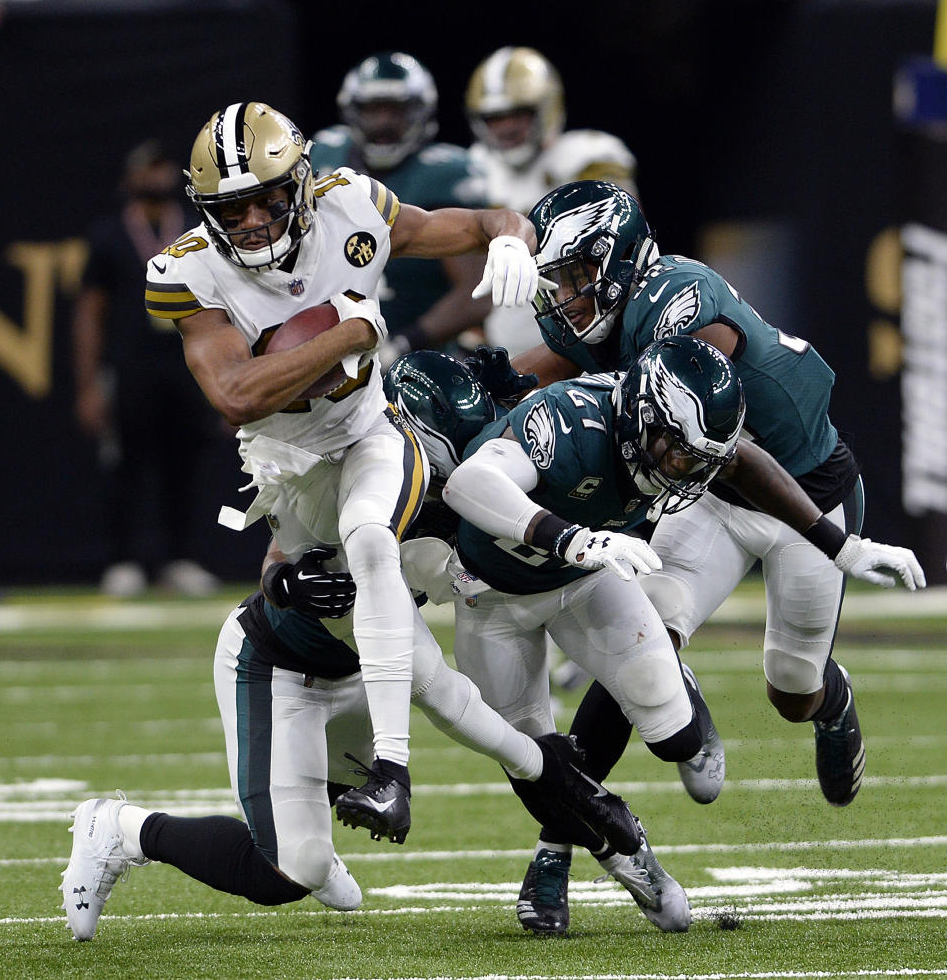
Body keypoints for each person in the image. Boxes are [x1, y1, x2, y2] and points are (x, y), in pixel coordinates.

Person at [142, 101, 543, 847]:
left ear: (300, 183)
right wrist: (353, 330)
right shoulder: (183, 269)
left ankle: (401, 767)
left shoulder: (352, 205)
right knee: (312, 593)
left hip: (370, 431)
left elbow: (483, 219)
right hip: (285, 465)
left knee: (375, 542)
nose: (256, 219)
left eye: (268, 197)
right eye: (235, 207)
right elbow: (236, 395)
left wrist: (512, 238)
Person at [431, 335, 922, 935]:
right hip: (498, 599)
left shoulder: (686, 442)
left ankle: (688, 720)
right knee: (537, 765)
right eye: (678, 453)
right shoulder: (570, 423)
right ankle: (630, 862)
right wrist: (572, 538)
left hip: (583, 582)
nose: (683, 470)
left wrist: (840, 546)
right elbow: (468, 485)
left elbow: (738, 462)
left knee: (678, 741)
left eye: (698, 460)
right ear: (643, 415)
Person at [511, 179, 926, 818]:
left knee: (793, 688)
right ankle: (561, 842)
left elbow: (721, 447)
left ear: (617, 257)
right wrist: (467, 392)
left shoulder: (683, 304)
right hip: (706, 495)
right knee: (642, 636)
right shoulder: (607, 316)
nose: (567, 296)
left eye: (578, 275)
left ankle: (831, 696)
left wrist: (839, 543)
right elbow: (536, 372)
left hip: (800, 495)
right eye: (559, 280)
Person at [59, 536, 643, 942]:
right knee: (289, 875)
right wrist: (284, 581)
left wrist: (540, 761)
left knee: (350, 793)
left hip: (361, 675)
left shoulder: (448, 494)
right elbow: (442, 694)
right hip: (274, 669)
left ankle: (306, 824)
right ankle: (119, 828)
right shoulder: (359, 484)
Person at [72, 139, 224, 597]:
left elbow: (226, 305)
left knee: (186, 462)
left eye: (164, 168)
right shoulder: (109, 236)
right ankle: (123, 559)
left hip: (187, 363)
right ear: (129, 178)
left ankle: (180, 557)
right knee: (126, 464)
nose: (157, 177)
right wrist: (87, 383)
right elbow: (90, 312)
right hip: (130, 366)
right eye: (148, 169)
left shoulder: (199, 231)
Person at [311, 52, 491, 365]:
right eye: (372, 110)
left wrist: (403, 345)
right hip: (324, 351)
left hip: (418, 362)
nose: (383, 123)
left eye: (395, 110)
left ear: (421, 111)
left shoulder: (443, 174)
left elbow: (477, 293)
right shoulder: (325, 155)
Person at [464, 46, 638, 359]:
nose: (506, 128)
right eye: (494, 118)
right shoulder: (475, 167)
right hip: (504, 343)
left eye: (517, 114)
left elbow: (622, 246)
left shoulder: (587, 158)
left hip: (589, 337)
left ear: (546, 108)